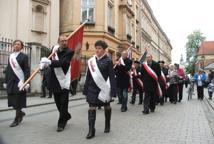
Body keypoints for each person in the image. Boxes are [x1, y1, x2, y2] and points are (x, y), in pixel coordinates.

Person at [40, 35, 74, 132]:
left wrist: (50, 62)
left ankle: (61, 123)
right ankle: (66, 116)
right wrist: (44, 64)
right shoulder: (54, 49)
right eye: (62, 41)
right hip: (54, 80)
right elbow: (49, 59)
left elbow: (63, 63)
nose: (64, 42)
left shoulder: (70, 51)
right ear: (58, 42)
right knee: (58, 103)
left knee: (64, 103)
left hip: (63, 80)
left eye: (66, 41)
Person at [83, 40, 116, 139]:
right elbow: (88, 75)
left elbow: (111, 76)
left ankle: (107, 124)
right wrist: (85, 89)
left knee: (107, 106)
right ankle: (91, 130)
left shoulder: (108, 61)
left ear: (104, 49)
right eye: (96, 48)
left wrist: (113, 90)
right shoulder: (92, 60)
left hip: (104, 88)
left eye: (99, 48)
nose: (97, 50)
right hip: (92, 88)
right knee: (91, 107)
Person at [3, 40, 30, 127]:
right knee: (12, 100)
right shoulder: (11, 56)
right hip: (11, 81)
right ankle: (20, 113)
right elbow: (8, 69)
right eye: (15, 44)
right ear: (13, 46)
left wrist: (25, 81)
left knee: (18, 100)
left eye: (19, 44)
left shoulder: (24, 56)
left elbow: (26, 69)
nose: (17, 45)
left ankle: (16, 119)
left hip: (19, 81)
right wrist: (5, 81)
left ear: (21, 47)